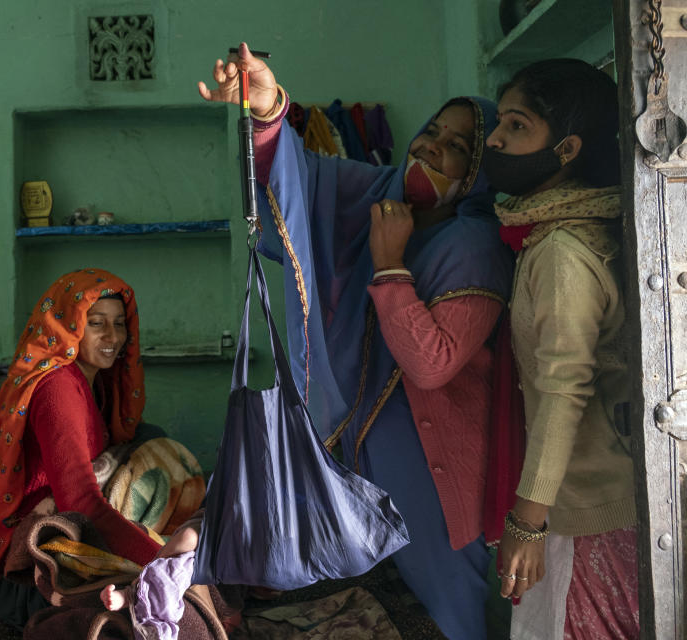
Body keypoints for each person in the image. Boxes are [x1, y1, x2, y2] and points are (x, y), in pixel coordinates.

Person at [198, 44, 513, 640]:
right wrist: (267, 114)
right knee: (364, 612)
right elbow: (301, 179)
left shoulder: (473, 245)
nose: (430, 148)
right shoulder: (376, 195)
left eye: (457, 147)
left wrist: (390, 263)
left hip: (433, 471)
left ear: (480, 172)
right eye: (431, 132)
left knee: (441, 615)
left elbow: (431, 364)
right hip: (354, 454)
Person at [484, 58, 638, 638]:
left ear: (567, 148)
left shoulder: (561, 252)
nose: (495, 138)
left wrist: (528, 523)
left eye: (517, 125)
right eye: (501, 122)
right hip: (600, 497)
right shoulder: (573, 229)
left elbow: (563, 390)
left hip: (587, 507)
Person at [0, 269, 166, 628]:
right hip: (32, 564)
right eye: (97, 323)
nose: (112, 336)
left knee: (152, 442)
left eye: (119, 324)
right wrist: (159, 563)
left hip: (69, 518)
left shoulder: (94, 382)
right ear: (68, 328)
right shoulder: (58, 389)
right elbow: (80, 502)